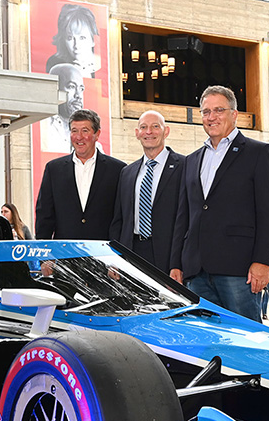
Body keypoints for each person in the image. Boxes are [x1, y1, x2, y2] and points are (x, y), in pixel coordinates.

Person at [172, 86, 269, 323]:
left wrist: (262, 261)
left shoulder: (258, 153)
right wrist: (177, 263)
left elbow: (268, 213)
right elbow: (184, 216)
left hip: (238, 269)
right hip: (196, 270)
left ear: (234, 114)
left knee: (247, 339)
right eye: (206, 111)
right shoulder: (191, 160)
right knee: (207, 340)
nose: (211, 117)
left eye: (219, 110)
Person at [110, 110, 185, 272]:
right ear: (137, 134)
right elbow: (119, 220)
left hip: (169, 256)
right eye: (143, 127)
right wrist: (115, 257)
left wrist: (178, 263)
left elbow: (188, 219)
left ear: (167, 131)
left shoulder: (185, 166)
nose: (149, 132)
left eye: (155, 126)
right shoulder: (127, 172)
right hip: (132, 253)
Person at [35, 109, 125, 241]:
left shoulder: (118, 170)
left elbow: (121, 217)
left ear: (97, 134)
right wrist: (44, 255)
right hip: (64, 254)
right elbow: (44, 216)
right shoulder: (53, 169)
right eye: (74, 130)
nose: (78, 137)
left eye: (85, 130)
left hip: (104, 254)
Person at [40, 63, 85, 153]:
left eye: (81, 89)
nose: (78, 95)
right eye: (71, 87)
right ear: (55, 89)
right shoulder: (44, 126)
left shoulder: (91, 137)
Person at [45, 3, 99, 76]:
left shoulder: (103, 66)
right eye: (70, 38)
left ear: (93, 40)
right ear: (63, 40)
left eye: (82, 38)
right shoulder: (55, 64)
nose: (76, 45)